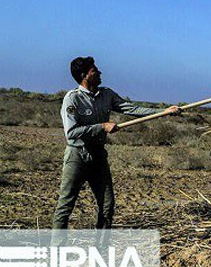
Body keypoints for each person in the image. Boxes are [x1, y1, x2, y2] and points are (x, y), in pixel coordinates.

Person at [52, 56, 181, 230]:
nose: (99, 72)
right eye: (94, 70)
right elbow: (71, 133)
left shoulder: (107, 94)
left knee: (107, 206)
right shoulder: (72, 99)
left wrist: (163, 112)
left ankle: (102, 249)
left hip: (99, 156)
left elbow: (132, 109)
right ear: (84, 75)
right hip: (77, 156)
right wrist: (102, 126)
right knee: (65, 207)